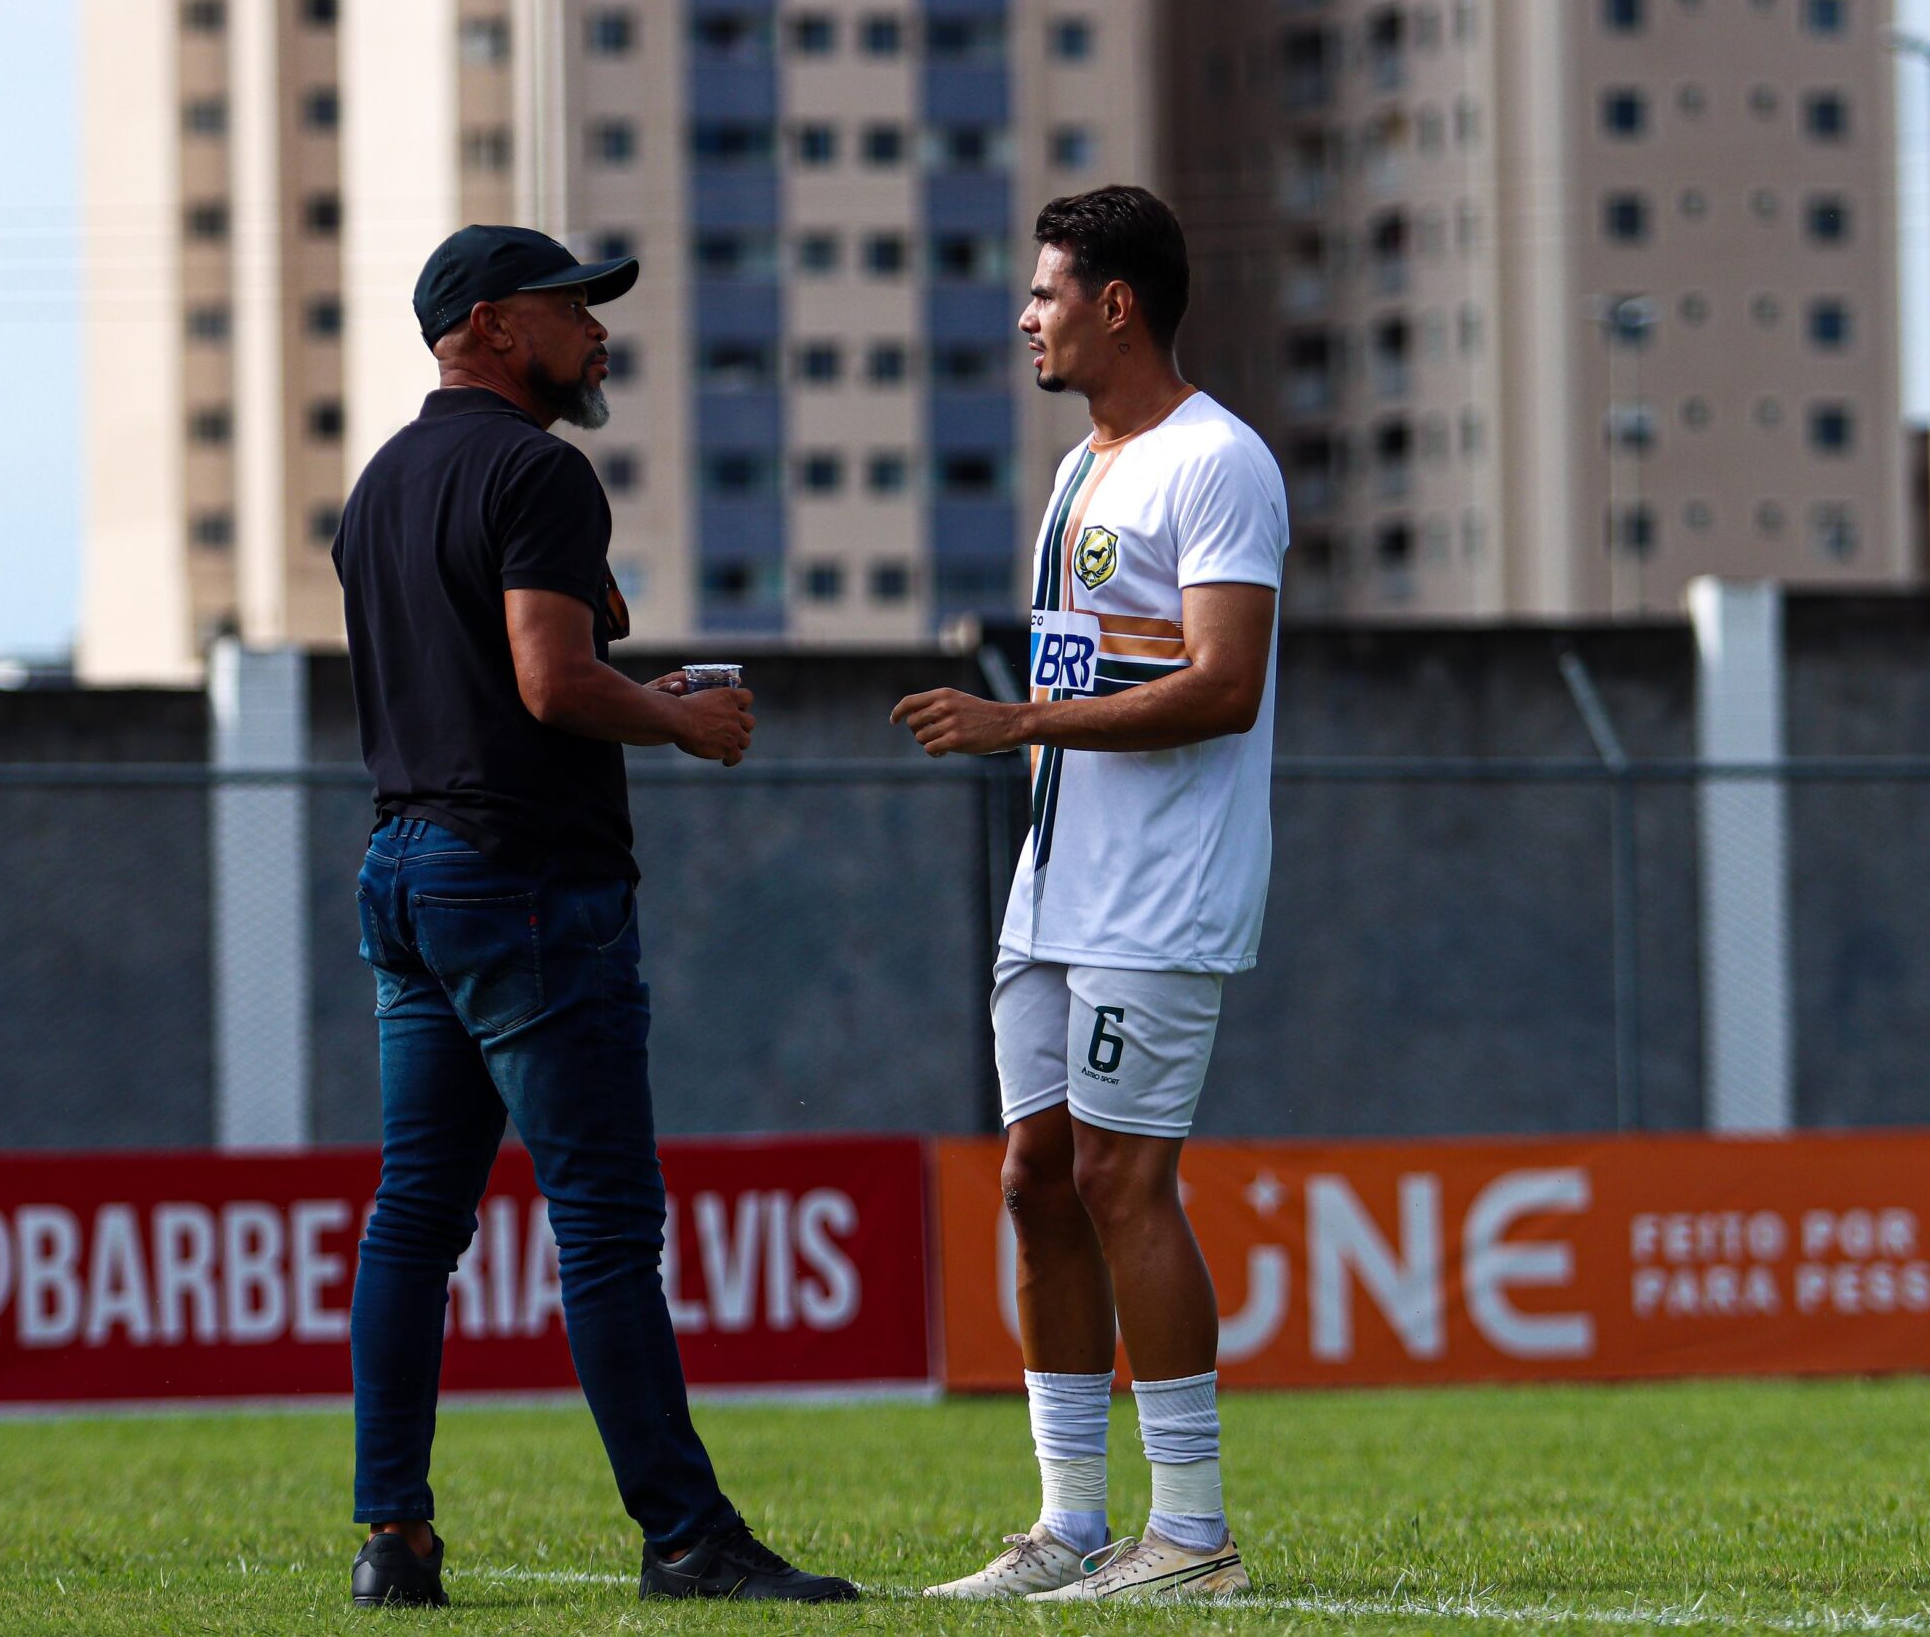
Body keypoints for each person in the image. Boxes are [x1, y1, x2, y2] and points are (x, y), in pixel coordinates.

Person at [332, 224, 857, 1609]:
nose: (599, 332)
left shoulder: (380, 483)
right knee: (608, 1229)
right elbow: (551, 683)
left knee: (412, 1225)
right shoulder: (535, 470)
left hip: (405, 866)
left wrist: (640, 693)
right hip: (522, 882)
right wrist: (680, 721)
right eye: (575, 309)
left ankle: (394, 1539)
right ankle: (687, 1538)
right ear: (495, 326)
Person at [893, 187, 1286, 1603]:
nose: (1026, 316)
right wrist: (1035, 739)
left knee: (1127, 1179)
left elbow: (1223, 686)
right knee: (1035, 1180)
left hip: (1161, 897)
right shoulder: (1080, 471)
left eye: (1046, 291)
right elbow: (1095, 668)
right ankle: (1066, 1527)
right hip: (1057, 888)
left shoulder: (1219, 462)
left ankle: (1191, 1535)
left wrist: (1018, 728)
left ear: (1116, 303)